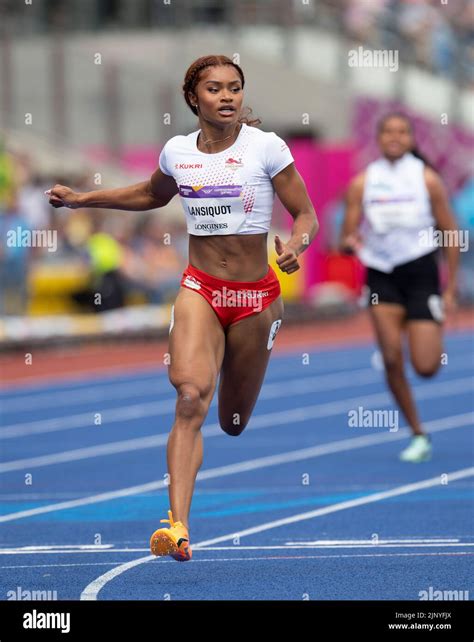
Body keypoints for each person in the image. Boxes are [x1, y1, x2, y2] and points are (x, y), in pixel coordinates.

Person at [45, 54, 318, 561]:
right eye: (215, 89)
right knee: (190, 396)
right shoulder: (177, 151)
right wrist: (84, 200)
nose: (227, 96)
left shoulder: (267, 148)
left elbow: (305, 213)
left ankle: (238, 393)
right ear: (194, 98)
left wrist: (296, 246)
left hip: (255, 299)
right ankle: (178, 527)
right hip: (201, 289)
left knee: (232, 422)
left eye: (235, 87)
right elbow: (151, 193)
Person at [341, 112, 459, 463]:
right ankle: (417, 433)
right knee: (391, 356)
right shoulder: (364, 182)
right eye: (388, 131)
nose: (394, 137)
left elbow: (450, 233)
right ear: (378, 138)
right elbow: (346, 234)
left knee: (425, 366)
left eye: (402, 132)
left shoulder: (427, 179)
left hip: (420, 270)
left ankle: (424, 324)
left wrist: (450, 287)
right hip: (381, 274)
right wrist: (349, 242)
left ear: (410, 138)